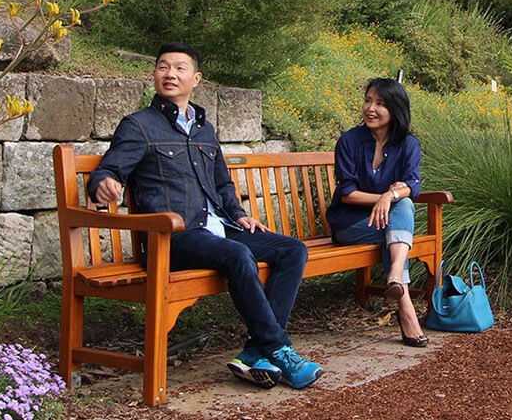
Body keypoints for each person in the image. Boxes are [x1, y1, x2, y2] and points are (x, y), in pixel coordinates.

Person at [87, 43, 323, 390]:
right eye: (163, 67)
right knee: (238, 255)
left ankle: (257, 351)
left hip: (219, 231)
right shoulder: (139, 126)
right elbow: (107, 170)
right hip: (174, 238)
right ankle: (278, 349)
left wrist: (239, 215)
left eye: (180, 68)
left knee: (292, 250)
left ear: (195, 79)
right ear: (154, 74)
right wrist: (104, 183)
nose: (170, 74)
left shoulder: (204, 129)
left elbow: (222, 183)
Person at [328, 77, 429, 347]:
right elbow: (347, 193)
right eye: (368, 100)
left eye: (380, 103)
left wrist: (391, 196)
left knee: (400, 211)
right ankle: (404, 302)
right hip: (350, 224)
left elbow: (413, 185)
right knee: (399, 215)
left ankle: (396, 277)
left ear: (396, 109)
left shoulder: (408, 144)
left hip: (386, 225)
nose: (370, 108)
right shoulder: (349, 141)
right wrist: (384, 198)